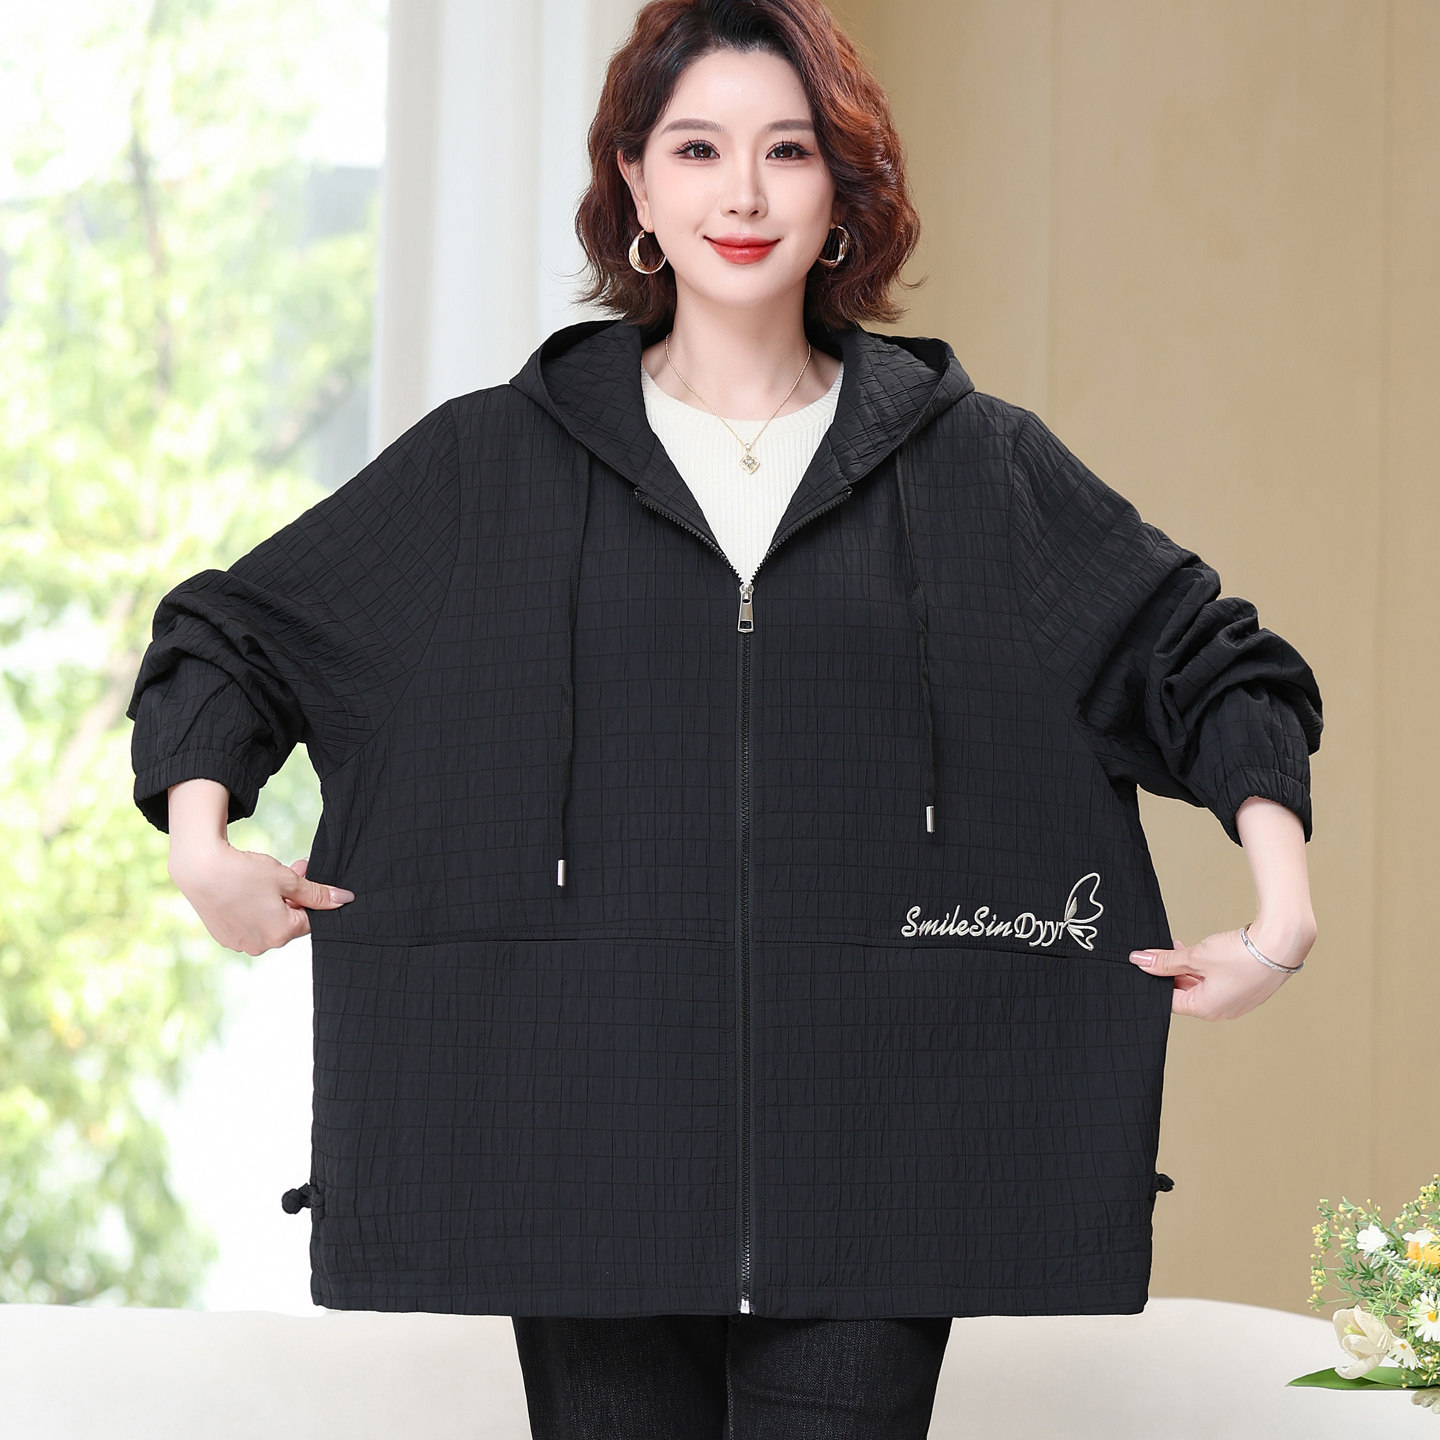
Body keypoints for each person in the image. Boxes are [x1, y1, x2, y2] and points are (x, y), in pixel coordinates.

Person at [126, 1, 1322, 1435]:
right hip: (579, 1152)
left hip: (890, 1158)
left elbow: (1209, 663)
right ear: (635, 183)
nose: (742, 194)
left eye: (787, 151)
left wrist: (1282, 911)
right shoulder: (491, 465)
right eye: (697, 149)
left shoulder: (980, 469)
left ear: (843, 191)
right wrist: (202, 845)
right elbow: (237, 635)